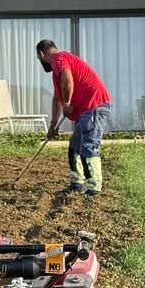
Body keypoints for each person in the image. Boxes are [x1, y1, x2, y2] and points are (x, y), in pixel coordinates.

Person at [37, 39, 110, 195]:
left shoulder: (59, 58)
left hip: (94, 105)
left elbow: (68, 80)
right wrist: (53, 124)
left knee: (89, 147)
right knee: (74, 147)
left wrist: (67, 102)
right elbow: (57, 98)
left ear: (41, 54)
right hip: (85, 110)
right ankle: (77, 183)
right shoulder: (57, 70)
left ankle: (94, 188)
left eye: (39, 58)